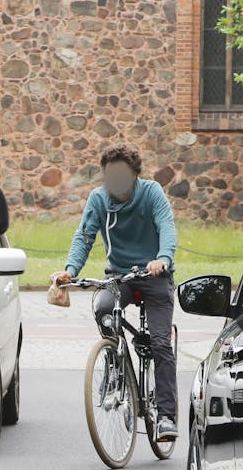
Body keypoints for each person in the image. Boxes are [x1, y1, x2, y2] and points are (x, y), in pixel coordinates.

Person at [48, 145, 180, 441]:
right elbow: (84, 236)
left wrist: (163, 258)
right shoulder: (99, 199)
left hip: (153, 273)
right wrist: (70, 269)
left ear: (134, 174)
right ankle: (115, 360)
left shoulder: (152, 193)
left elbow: (167, 227)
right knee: (103, 308)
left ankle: (167, 416)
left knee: (160, 344)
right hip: (120, 275)